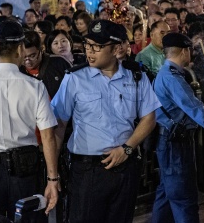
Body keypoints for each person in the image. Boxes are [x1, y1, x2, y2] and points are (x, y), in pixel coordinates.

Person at [51, 20, 160, 223]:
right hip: (87, 170)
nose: (90, 51)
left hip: (125, 168)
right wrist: (52, 173)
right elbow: (59, 125)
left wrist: (127, 149)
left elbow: (149, 118)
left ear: (117, 48)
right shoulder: (75, 78)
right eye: (88, 45)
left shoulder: (136, 76)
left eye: (98, 47)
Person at [0, 21, 59, 220]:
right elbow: (48, 136)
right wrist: (53, 179)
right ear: (19, 49)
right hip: (25, 171)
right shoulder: (35, 86)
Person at [152, 33, 204, 223]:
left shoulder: (166, 73)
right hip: (174, 143)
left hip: (169, 140)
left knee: (166, 194)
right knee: (183, 196)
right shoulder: (172, 78)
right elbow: (194, 108)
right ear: (185, 51)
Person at [21, 31, 71, 98]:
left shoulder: (59, 63)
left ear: (42, 49)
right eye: (23, 57)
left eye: (32, 56)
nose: (27, 61)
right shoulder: (17, 69)